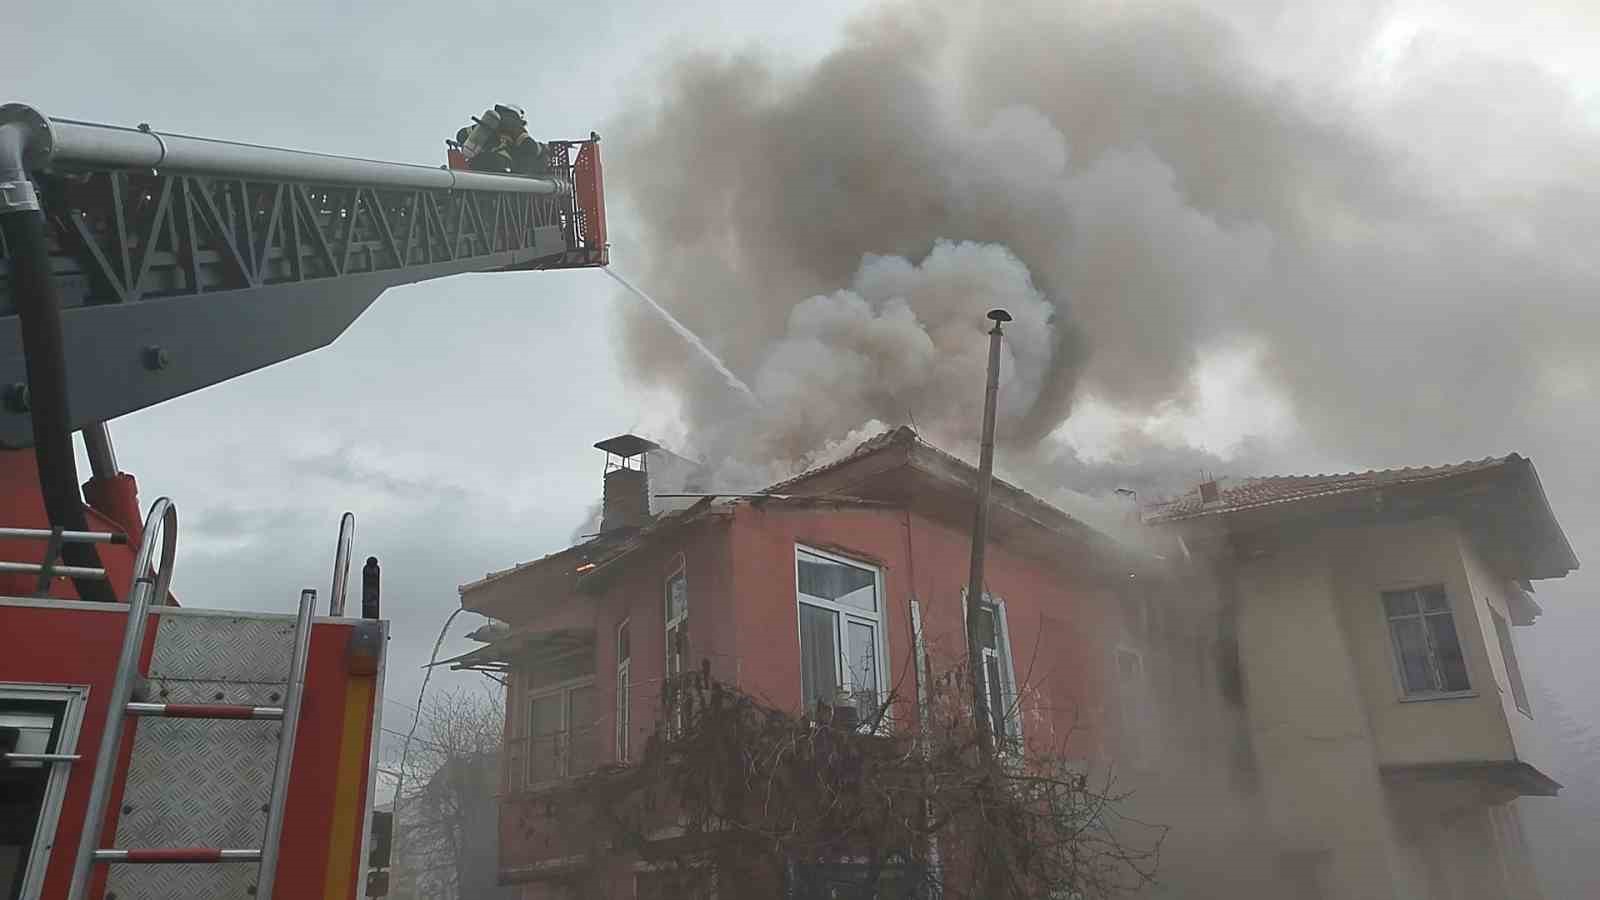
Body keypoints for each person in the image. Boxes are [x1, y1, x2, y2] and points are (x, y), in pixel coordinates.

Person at [461, 104, 551, 177]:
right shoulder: (513, 123)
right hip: (499, 164)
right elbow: (528, 145)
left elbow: (461, 135)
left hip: (476, 163)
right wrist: (542, 148)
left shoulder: (490, 121)